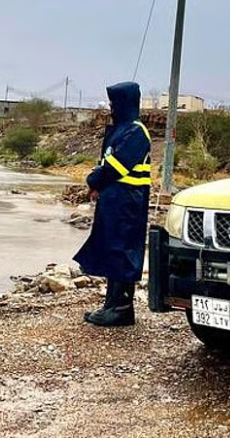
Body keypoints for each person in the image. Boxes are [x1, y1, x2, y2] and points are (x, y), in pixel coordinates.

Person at [73, 81, 152, 327]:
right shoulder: (121, 129)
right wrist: (98, 184)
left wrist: (94, 180)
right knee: (111, 247)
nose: (110, 108)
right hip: (115, 199)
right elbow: (106, 163)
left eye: (113, 103)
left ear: (124, 103)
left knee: (122, 250)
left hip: (128, 201)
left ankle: (122, 309)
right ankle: (111, 304)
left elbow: (116, 166)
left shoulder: (136, 132)